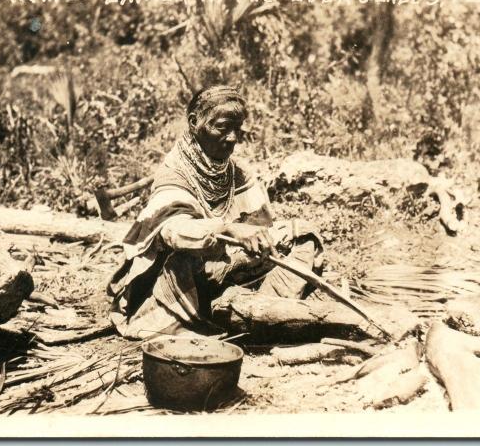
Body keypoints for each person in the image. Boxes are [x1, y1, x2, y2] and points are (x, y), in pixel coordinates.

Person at [107, 85, 323, 339]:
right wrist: (226, 228)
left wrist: (257, 238)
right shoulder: (174, 171)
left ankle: (259, 308)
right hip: (186, 273)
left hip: (228, 263)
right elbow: (172, 231)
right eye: (222, 127)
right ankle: (225, 314)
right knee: (183, 260)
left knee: (302, 235)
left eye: (237, 130)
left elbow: (259, 226)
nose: (232, 138)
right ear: (194, 122)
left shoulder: (237, 171)